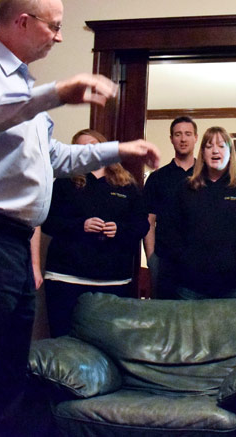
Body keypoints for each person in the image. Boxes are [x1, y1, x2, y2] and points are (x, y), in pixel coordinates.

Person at [0, 0, 160, 436]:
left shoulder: (21, 84)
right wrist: (53, 93)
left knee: (10, 377)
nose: (58, 36)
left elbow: (53, 158)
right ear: (23, 21)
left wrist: (118, 149)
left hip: (11, 246)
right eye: (54, 26)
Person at [41, 129, 148, 337]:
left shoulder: (127, 185)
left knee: (110, 344)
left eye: (92, 144)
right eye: (80, 147)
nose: (87, 150)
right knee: (64, 343)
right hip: (66, 278)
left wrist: (120, 229)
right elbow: (47, 222)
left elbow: (142, 225)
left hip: (114, 281)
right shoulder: (64, 182)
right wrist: (80, 225)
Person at [160, 126, 236, 299]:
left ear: (230, 152)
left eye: (221, 145)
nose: (215, 151)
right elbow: (169, 231)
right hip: (193, 286)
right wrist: (190, 260)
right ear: (203, 153)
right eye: (209, 146)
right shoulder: (185, 188)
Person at [142, 116, 197, 299]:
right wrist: (152, 259)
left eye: (188, 134)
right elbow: (148, 221)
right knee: (165, 319)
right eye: (178, 134)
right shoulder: (158, 178)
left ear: (195, 137)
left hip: (202, 262)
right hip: (166, 262)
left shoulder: (207, 176)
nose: (183, 139)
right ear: (171, 138)